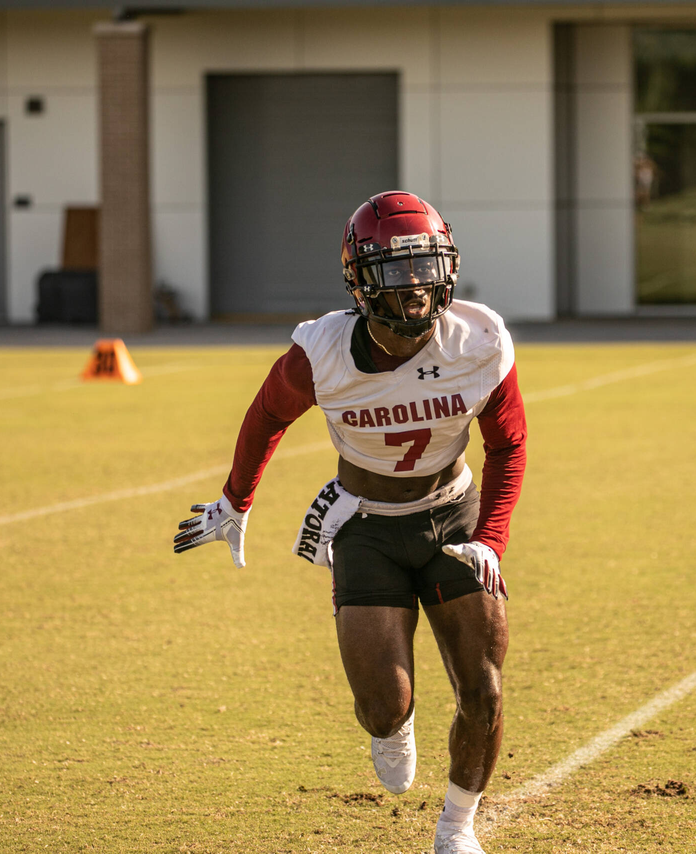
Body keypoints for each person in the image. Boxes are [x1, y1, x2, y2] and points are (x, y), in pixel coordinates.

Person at [173, 191, 528, 854]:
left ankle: (457, 828)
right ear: (361, 282)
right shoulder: (323, 353)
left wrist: (491, 539)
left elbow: (508, 443)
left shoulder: (477, 341)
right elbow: (266, 415)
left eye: (426, 266)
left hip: (452, 517)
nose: (415, 286)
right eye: (396, 270)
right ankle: (396, 723)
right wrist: (235, 499)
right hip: (367, 526)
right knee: (383, 707)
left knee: (483, 689)